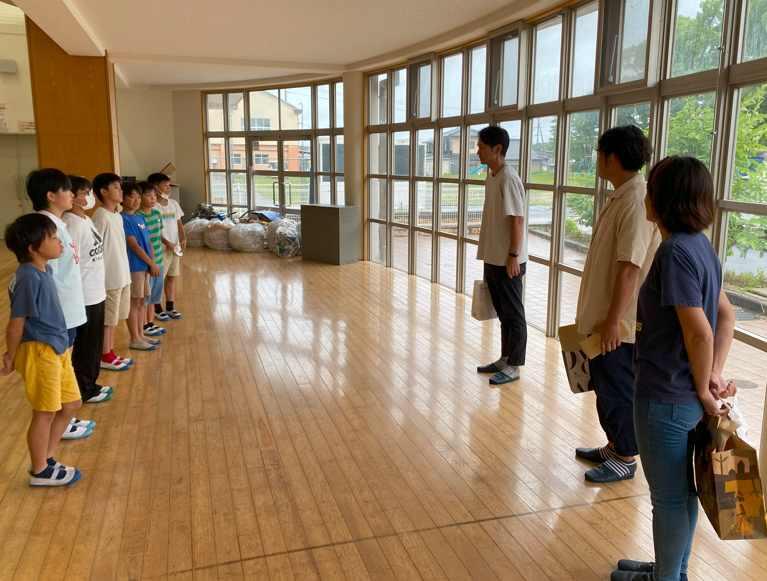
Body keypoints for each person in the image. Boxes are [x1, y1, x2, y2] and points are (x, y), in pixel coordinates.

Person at [611, 156, 736, 581]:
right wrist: (713, 375)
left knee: (667, 499)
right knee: (684, 494)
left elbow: (700, 331)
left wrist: (704, 387)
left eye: (651, 190)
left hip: (666, 397)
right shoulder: (701, 247)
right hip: (684, 398)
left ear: (662, 200)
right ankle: (671, 571)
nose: (646, 196)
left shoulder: (674, 252)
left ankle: (666, 577)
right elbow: (726, 316)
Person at [574, 125, 660, 483]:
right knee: (604, 385)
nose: (597, 160)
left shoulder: (637, 200)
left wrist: (613, 321)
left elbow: (630, 268)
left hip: (619, 325)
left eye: (599, 154)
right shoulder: (623, 195)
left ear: (612, 158)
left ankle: (625, 456)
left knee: (618, 388)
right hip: (606, 319)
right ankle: (615, 444)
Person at [2, 214, 83, 486]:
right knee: (45, 412)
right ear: (32, 248)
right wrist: (10, 356)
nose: (59, 242)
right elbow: (16, 323)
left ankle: (46, 458)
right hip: (40, 350)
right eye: (52, 238)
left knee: (71, 404)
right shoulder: (28, 277)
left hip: (57, 347)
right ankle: (39, 470)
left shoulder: (43, 270)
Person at [28, 169, 94, 440]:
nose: (72, 195)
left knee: (65, 367)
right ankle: (59, 423)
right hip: (59, 314)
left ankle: (64, 418)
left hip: (70, 309)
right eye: (66, 190)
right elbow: (46, 277)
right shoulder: (45, 228)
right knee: (56, 372)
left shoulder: (59, 224)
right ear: (51, 196)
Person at [474, 125, 528, 385]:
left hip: (509, 260)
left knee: (514, 314)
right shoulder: (493, 175)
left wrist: (513, 255)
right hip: (494, 258)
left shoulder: (508, 178)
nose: (477, 152)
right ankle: (505, 358)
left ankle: (514, 365)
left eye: (481, 147)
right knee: (503, 314)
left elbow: (517, 219)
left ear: (497, 149)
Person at [63, 176, 112, 404]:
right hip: (84, 295)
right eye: (83, 193)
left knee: (93, 344)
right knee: (85, 346)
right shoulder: (71, 223)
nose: (88, 197)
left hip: (96, 291)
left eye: (88, 192)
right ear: (71, 196)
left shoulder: (85, 220)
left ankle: (90, 383)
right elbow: (71, 263)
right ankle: (84, 388)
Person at [91, 173, 133, 371]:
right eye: (116, 187)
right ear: (104, 191)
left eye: (120, 187)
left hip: (122, 274)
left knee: (115, 319)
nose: (120, 191)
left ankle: (110, 351)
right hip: (110, 278)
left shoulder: (116, 215)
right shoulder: (100, 215)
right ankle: (104, 355)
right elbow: (95, 248)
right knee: (108, 320)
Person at [121, 182, 161, 351]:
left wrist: (152, 262)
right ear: (123, 199)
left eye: (138, 197)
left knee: (141, 302)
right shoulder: (123, 219)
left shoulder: (140, 217)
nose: (136, 200)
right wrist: (151, 263)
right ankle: (134, 338)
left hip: (144, 266)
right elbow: (134, 245)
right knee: (134, 302)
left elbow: (149, 242)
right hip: (134, 266)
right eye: (132, 197)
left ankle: (140, 334)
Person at [149, 173, 185, 320]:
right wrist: (166, 243)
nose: (169, 188)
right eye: (165, 185)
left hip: (174, 248)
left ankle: (170, 307)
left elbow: (179, 222)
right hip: (160, 249)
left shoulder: (173, 203)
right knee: (158, 281)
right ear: (155, 187)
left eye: (169, 185)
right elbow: (154, 230)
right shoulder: (153, 207)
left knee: (172, 277)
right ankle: (157, 308)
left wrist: (183, 238)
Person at [137, 181, 167, 338]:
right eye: (148, 195)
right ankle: (144, 324)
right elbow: (140, 243)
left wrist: (167, 244)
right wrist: (150, 262)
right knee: (145, 297)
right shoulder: (138, 217)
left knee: (154, 295)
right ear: (140, 197)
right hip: (147, 263)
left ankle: (150, 322)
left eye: (154, 195)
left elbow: (158, 236)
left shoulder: (156, 214)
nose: (153, 198)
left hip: (159, 260)